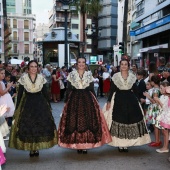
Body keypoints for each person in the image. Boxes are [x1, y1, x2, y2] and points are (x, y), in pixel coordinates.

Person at [58, 57, 111, 154]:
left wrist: (96, 102)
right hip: (74, 99)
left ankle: (85, 145)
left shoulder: (89, 75)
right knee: (75, 121)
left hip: (88, 99)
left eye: (83, 62)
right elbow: (69, 89)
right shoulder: (71, 75)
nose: (81, 64)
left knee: (87, 121)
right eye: (79, 62)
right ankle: (78, 144)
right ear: (76, 64)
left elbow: (91, 89)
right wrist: (66, 102)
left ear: (85, 64)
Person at [8, 60, 57, 157]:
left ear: (38, 68)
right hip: (27, 103)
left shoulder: (41, 78)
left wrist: (49, 105)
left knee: (38, 125)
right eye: (32, 66)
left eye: (35, 66)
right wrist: (17, 108)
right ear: (28, 68)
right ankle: (31, 148)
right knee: (29, 125)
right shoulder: (23, 78)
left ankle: (36, 147)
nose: (34, 68)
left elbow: (45, 93)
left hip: (40, 103)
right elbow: (20, 93)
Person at [105, 59, 151, 152]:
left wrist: (138, 100)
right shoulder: (115, 76)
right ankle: (120, 144)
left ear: (128, 66)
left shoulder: (132, 76)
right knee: (119, 121)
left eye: (125, 64)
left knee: (128, 121)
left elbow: (135, 89)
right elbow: (112, 89)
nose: (124, 66)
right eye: (122, 64)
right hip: (118, 100)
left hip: (130, 100)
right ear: (120, 66)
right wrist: (109, 101)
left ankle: (126, 145)